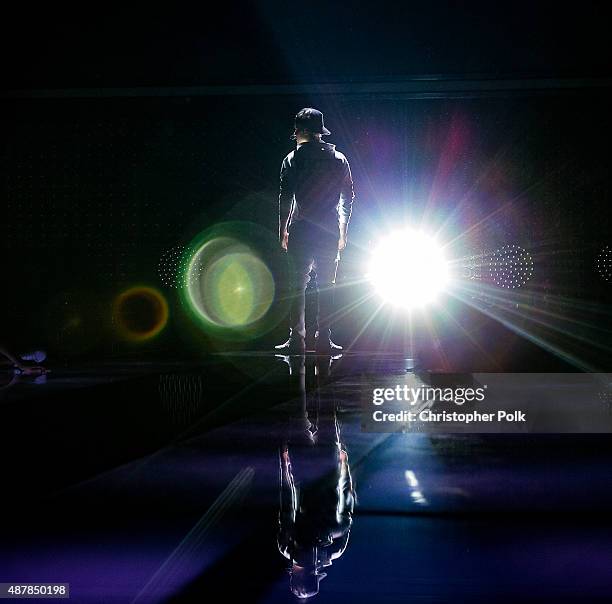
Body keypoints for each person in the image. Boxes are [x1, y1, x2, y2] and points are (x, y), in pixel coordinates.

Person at [276, 108, 354, 354]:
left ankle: (296, 339)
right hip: (328, 229)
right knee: (326, 285)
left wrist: (283, 230)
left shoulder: (292, 159)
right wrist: (343, 228)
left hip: (301, 228)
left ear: (300, 131)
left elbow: (285, 197)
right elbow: (348, 197)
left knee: (296, 285)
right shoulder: (338, 159)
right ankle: (323, 338)